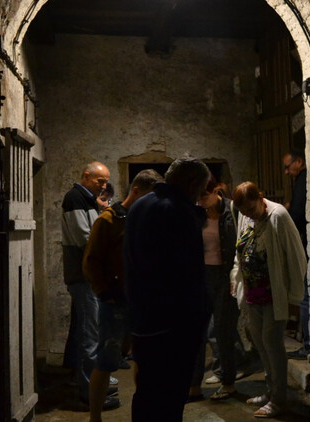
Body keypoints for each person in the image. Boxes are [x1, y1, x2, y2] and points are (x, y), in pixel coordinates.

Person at [124, 156, 212, 421]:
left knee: (146, 391)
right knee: (171, 396)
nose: (201, 196)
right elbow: (187, 274)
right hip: (173, 326)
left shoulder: (140, 205)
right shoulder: (178, 212)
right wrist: (198, 319)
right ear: (192, 184)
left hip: (142, 318)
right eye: (201, 189)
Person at [83, 169, 164, 421]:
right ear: (136, 191)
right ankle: (95, 417)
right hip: (116, 301)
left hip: (141, 300)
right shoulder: (108, 220)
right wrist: (104, 292)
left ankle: (143, 414)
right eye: (149, 197)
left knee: (144, 360)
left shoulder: (147, 219)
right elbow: (91, 260)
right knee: (106, 361)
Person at [231, 181, 307, 418]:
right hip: (254, 293)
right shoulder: (245, 215)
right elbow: (240, 250)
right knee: (260, 343)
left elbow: (296, 256)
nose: (248, 215)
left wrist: (294, 297)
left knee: (272, 344)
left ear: (261, 198)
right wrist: (236, 276)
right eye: (244, 212)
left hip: (274, 293)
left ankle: (279, 399)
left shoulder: (278, 216)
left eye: (251, 209)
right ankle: (271, 390)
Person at [61, 161, 115, 406]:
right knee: (89, 335)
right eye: (99, 181)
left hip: (85, 274)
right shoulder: (75, 198)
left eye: (106, 182)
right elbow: (85, 237)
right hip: (84, 275)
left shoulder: (87, 199)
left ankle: (86, 380)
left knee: (84, 330)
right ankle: (90, 392)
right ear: (86, 176)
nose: (103, 186)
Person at [188, 181, 241, 401]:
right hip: (201, 275)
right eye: (197, 197)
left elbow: (239, 244)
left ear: (215, 192)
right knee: (196, 331)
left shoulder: (232, 210)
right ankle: (194, 386)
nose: (200, 201)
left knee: (223, 330)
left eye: (204, 196)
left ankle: (228, 382)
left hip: (224, 275)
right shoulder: (196, 214)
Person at [282, 151, 310, 360]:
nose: (286, 172)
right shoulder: (302, 180)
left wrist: (288, 217)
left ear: (299, 162)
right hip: (307, 243)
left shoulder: (303, 180)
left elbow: (298, 214)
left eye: (288, 166)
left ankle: (308, 345)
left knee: (305, 298)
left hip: (306, 244)